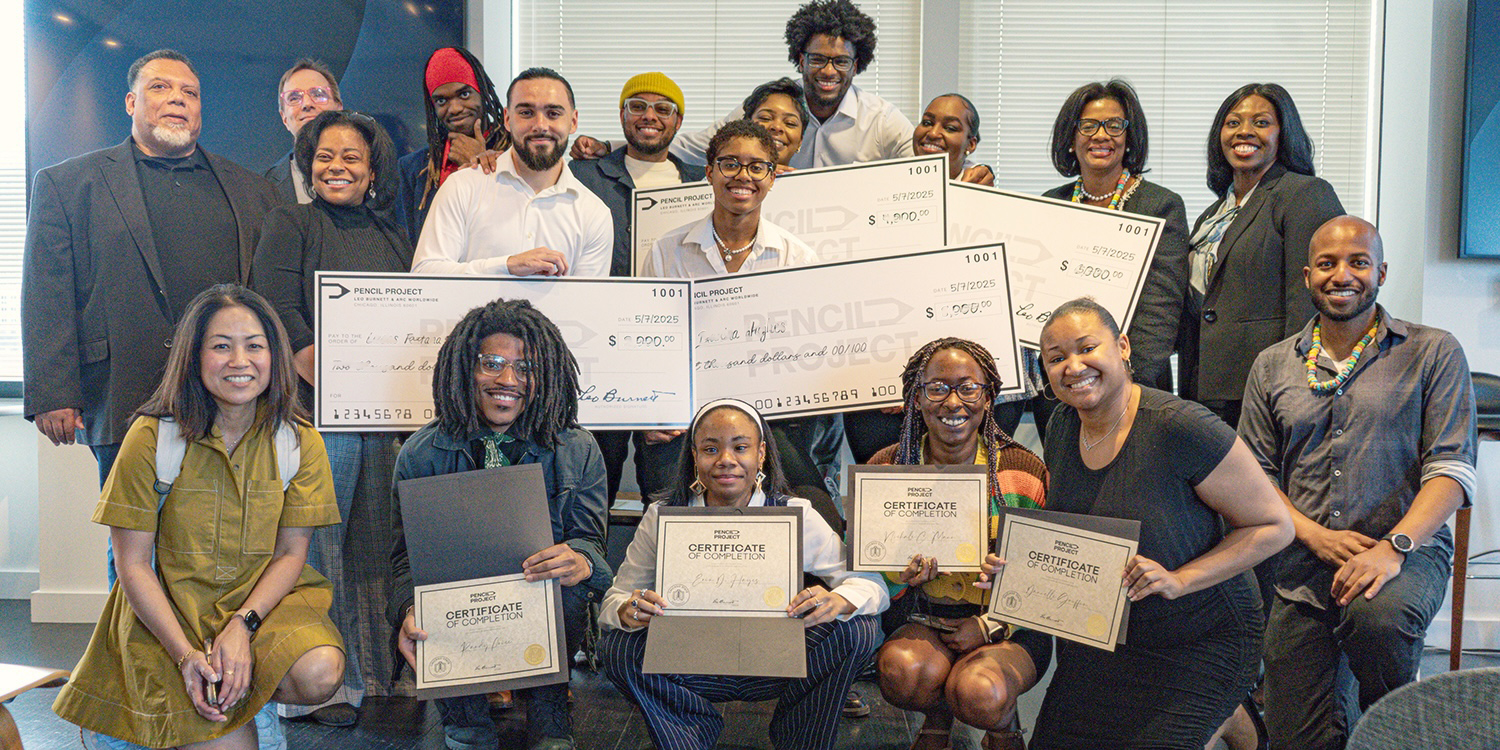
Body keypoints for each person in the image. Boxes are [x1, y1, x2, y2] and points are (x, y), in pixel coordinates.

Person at [52, 284, 346, 749]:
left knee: (320, 671)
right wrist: (188, 655)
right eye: (221, 347)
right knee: (225, 736)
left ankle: (239, 691)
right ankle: (133, 707)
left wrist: (242, 627)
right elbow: (131, 565)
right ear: (193, 356)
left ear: (275, 355)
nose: (240, 361)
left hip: (255, 606)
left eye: (254, 346)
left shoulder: (299, 442)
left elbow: (292, 553)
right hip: (169, 615)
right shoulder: (151, 438)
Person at [1239, 217, 1475, 750]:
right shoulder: (1272, 365)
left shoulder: (1432, 352)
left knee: (1379, 623)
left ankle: (1396, 724)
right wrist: (1314, 536)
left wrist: (1393, 548)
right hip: (1302, 561)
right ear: (1307, 276)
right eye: (1327, 264)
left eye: (1358, 262)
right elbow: (1256, 477)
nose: (1341, 274)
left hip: (1404, 551)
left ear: (1381, 272)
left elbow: (1452, 470)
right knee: (1295, 737)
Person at [1031, 297, 1292, 748]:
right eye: (1056, 358)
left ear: (1124, 347)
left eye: (1086, 348)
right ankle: (1227, 719)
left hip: (1199, 637)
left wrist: (1181, 578)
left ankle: (1226, 709)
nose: (1073, 366)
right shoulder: (1060, 426)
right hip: (1104, 641)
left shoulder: (1180, 427)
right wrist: (1020, 568)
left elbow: (1274, 526)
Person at [23, 49, 280, 488]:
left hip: (230, 394)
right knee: (131, 541)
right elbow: (46, 294)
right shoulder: (67, 185)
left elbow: (270, 297)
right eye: (160, 87)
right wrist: (53, 392)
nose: (177, 99)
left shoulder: (254, 190)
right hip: (121, 388)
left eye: (190, 92)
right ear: (131, 102)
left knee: (222, 538)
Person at [598, 398, 887, 750]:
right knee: (617, 646)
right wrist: (629, 609)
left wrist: (838, 599)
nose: (725, 460)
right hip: (690, 661)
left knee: (857, 628)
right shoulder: (664, 515)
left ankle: (801, 739)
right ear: (693, 455)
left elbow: (872, 585)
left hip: (777, 663)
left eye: (740, 447)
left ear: (761, 454)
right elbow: (615, 599)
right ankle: (689, 731)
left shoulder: (795, 512)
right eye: (709, 448)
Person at [251, 110, 413, 728]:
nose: (337, 167)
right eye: (325, 156)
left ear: (372, 170)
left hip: (383, 415)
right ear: (306, 163)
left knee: (376, 541)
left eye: (352, 157)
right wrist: (306, 354)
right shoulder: (290, 222)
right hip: (317, 412)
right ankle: (311, 683)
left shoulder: (392, 233)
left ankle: (373, 674)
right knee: (317, 546)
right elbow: (272, 302)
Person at [390, 299, 611, 750]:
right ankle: (465, 724)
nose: (508, 380)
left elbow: (592, 546)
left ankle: (551, 720)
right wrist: (408, 611)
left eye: (525, 368)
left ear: (545, 375)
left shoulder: (578, 449)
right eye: (492, 364)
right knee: (432, 596)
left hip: (542, 603)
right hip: (459, 609)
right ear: (463, 369)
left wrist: (581, 562)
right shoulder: (420, 454)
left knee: (564, 586)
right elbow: (403, 563)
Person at [637, 120, 842, 517]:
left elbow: (808, 351)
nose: (742, 176)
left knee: (819, 515)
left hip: (770, 422)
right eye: (729, 164)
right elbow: (646, 343)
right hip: (684, 421)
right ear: (709, 171)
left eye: (757, 166)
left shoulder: (796, 258)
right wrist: (648, 410)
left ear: (773, 176)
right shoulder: (667, 252)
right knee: (667, 518)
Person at [870, 338, 1049, 750]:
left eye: (968, 388)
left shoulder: (1022, 470)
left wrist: (990, 624)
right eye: (937, 388)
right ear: (916, 399)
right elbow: (862, 568)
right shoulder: (886, 469)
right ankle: (937, 720)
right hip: (922, 618)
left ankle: (1002, 726)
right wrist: (899, 574)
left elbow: (1046, 577)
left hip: (1007, 630)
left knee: (979, 692)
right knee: (903, 674)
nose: (953, 402)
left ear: (989, 398)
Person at [568, 71, 699, 505]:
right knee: (590, 489)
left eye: (663, 109)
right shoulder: (583, 175)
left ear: (678, 122)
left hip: (671, 357)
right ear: (621, 115)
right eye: (637, 106)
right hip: (599, 352)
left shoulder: (702, 181)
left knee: (667, 495)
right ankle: (593, 572)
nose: (649, 116)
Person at [572, 0, 912, 168]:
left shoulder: (882, 120)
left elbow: (928, 165)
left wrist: (968, 171)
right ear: (800, 59)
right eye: (818, 59)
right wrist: (610, 146)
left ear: (857, 65)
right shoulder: (770, 106)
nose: (828, 71)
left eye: (840, 62)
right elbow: (698, 146)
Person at [1181, 83, 1345, 429]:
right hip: (1206, 388)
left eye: (1261, 122)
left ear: (1284, 134)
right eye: (1233, 123)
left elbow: (1308, 300)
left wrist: (1291, 386)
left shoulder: (1303, 194)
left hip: (1266, 389)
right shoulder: (1212, 216)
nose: (1244, 132)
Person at [410, 67, 610, 278]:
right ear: (507, 118)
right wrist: (506, 266)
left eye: (553, 114)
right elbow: (425, 274)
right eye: (526, 113)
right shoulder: (462, 187)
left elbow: (587, 306)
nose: (540, 125)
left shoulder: (594, 214)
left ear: (573, 121)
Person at [393, 47, 511, 244]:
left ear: (481, 92)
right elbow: (407, 246)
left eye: (464, 94)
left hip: (499, 272)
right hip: (436, 273)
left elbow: (523, 226)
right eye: (441, 100)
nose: (455, 108)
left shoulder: (513, 154)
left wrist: (479, 167)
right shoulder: (413, 168)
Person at [265, 59, 344, 203]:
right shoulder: (264, 187)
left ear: (339, 108)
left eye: (318, 94)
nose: (307, 104)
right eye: (294, 98)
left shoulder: (371, 175)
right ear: (284, 119)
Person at [913, 93, 994, 185]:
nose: (933, 134)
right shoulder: (896, 181)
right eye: (927, 123)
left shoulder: (979, 190)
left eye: (950, 128)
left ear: (970, 144)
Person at [742, 77, 810, 168]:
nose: (777, 127)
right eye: (765, 118)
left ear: (800, 142)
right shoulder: (722, 178)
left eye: (790, 123)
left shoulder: (808, 182)